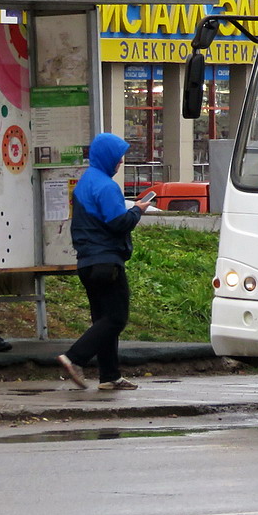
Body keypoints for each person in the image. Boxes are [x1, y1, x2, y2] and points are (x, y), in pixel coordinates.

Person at [57, 133, 152, 391]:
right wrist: (137, 211)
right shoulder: (106, 186)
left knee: (103, 320)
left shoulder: (85, 182)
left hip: (87, 262)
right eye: (118, 156)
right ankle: (75, 357)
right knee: (116, 319)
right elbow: (118, 223)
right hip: (106, 261)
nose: (120, 161)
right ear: (107, 156)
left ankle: (110, 376)